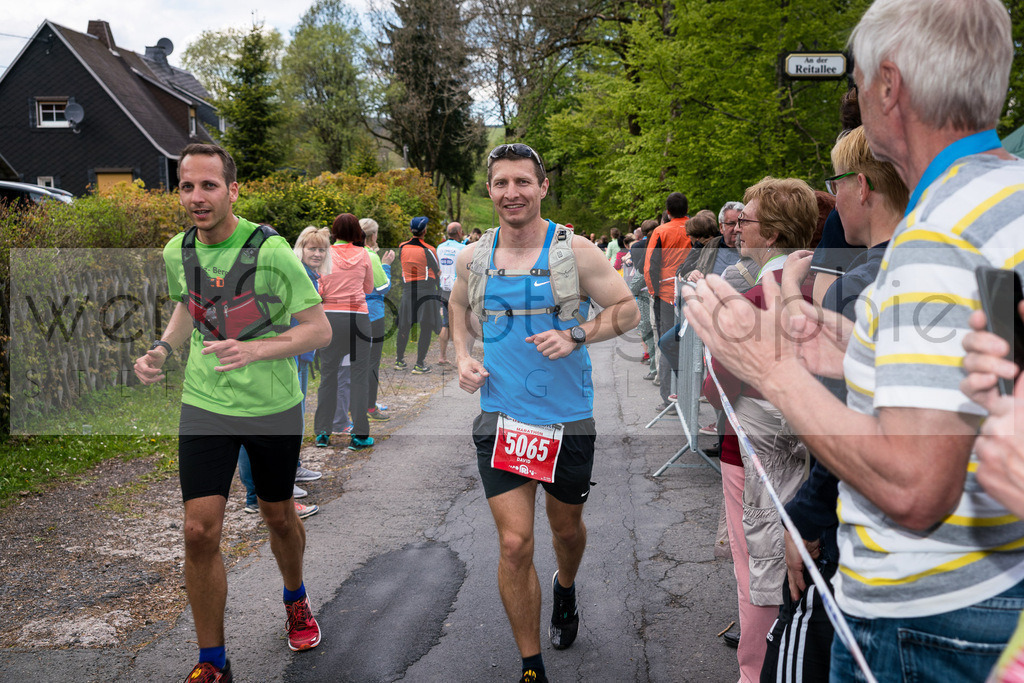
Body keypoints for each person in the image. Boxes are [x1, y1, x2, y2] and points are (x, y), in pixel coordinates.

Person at [682, 1, 1024, 679]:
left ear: (890, 85)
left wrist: (772, 368)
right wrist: (855, 351)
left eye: (860, 78)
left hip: (923, 621)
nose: (858, 95)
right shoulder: (998, 196)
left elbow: (915, 486)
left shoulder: (938, 234)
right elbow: (993, 379)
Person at [133, 143, 331, 681]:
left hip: (272, 406)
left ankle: (295, 597)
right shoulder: (178, 250)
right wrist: (164, 349)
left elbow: (318, 330)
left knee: (278, 516)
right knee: (198, 531)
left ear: (233, 190)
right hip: (206, 402)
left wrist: (255, 350)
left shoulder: (271, 252)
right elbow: (188, 303)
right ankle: (212, 661)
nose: (196, 197)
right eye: (186, 186)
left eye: (209, 185)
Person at [449, 142, 639, 683]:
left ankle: (565, 586)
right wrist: (462, 356)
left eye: (522, 182)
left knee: (566, 531)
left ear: (542, 187)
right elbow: (458, 304)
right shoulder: (473, 256)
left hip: (566, 418)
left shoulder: (575, 251)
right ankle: (531, 667)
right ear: (489, 190)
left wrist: (576, 334)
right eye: (501, 183)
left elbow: (627, 310)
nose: (512, 193)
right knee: (514, 544)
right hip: (502, 416)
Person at [763, 125, 908, 682]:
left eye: (836, 183)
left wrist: (805, 518)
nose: (835, 196)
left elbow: (837, 423)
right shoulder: (945, 267)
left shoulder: (859, 284)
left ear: (862, 186)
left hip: (853, 524)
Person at [701, 177, 817, 683]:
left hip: (750, 454)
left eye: (744, 220)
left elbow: (716, 386)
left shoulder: (751, 299)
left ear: (770, 234)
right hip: (817, 459)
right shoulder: (826, 286)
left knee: (757, 565)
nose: (736, 228)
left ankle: (756, 671)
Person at [238, 225, 329, 519]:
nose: (317, 253)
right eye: (312, 248)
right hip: (280, 357)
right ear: (298, 248)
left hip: (294, 356)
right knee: (267, 427)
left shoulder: (308, 274)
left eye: (322, 249)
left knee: (286, 424)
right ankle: (263, 496)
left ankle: (287, 475)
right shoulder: (289, 271)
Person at [313, 213, 375, 450]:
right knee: (359, 376)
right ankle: (359, 436)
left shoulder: (325, 254)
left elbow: (319, 289)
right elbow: (368, 288)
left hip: (330, 318)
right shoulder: (364, 254)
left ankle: (322, 433)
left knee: (328, 375)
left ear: (335, 231)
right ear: (357, 232)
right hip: (358, 318)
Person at [645, 192, 691, 409]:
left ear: (668, 211)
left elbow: (650, 265)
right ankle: (691, 395)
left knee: (666, 342)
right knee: (690, 343)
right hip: (692, 291)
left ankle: (669, 400)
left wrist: (653, 291)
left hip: (666, 294)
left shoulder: (661, 231)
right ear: (687, 209)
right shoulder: (694, 228)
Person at [395, 216, 441, 374]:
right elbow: (437, 270)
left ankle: (399, 360)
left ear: (410, 230)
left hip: (408, 290)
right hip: (425, 290)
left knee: (404, 325)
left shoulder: (402, 247)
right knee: (426, 326)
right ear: (425, 231)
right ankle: (419, 364)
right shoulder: (428, 249)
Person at [360, 218, 395, 421]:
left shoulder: (350, 253)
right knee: (372, 361)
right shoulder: (371, 256)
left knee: (356, 360)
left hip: (352, 313)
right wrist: (386, 265)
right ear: (373, 236)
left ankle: (357, 402)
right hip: (373, 314)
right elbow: (383, 287)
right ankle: (371, 407)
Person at [436, 221, 466, 368]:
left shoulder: (440, 248)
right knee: (459, 324)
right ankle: (460, 357)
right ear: (459, 233)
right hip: (457, 289)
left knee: (446, 322)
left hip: (443, 287)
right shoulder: (462, 249)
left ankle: (442, 356)